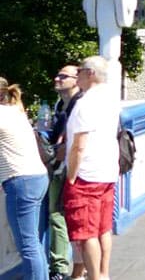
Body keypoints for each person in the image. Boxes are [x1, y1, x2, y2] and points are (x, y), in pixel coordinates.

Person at [64, 55, 122, 280]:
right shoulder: (110, 97)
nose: (77, 75)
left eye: (79, 71)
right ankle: (104, 273)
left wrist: (70, 177)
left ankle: (95, 276)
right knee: (103, 227)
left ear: (91, 74)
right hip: (107, 171)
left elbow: (79, 145)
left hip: (86, 175)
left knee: (87, 232)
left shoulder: (85, 103)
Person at [0, 76, 50, 280]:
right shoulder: (15, 112)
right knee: (33, 244)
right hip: (36, 178)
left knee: (27, 246)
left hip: (21, 182)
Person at [46, 64, 81, 280]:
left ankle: (60, 267)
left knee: (58, 214)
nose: (57, 79)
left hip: (72, 168)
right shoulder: (61, 104)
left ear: (76, 80)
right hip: (64, 165)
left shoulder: (79, 104)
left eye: (63, 76)